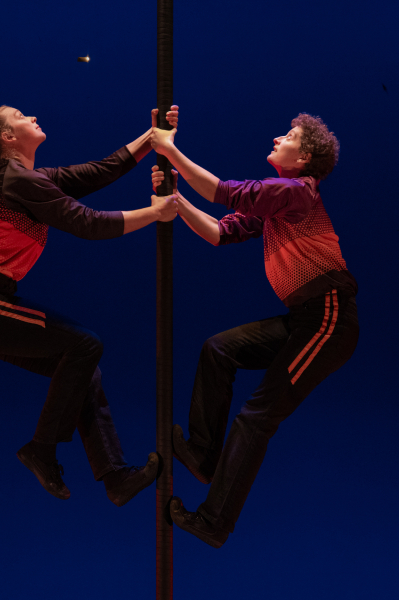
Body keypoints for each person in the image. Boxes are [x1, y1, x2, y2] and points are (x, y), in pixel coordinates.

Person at [0, 104, 179, 506]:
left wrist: (152, 135)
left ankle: (114, 477)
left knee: (82, 366)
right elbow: (85, 222)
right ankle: (41, 448)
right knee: (84, 345)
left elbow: (100, 170)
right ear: (7, 138)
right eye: (20, 115)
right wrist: (155, 213)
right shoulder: (18, 180)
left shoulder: (32, 179)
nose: (32, 116)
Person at [150, 113, 359, 546]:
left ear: (303, 158)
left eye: (290, 136)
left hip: (329, 318)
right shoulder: (279, 205)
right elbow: (219, 233)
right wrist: (175, 201)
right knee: (219, 349)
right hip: (306, 319)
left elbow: (224, 192)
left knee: (257, 418)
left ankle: (214, 521)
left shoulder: (297, 192)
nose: (277, 136)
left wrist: (170, 150)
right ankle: (204, 456)